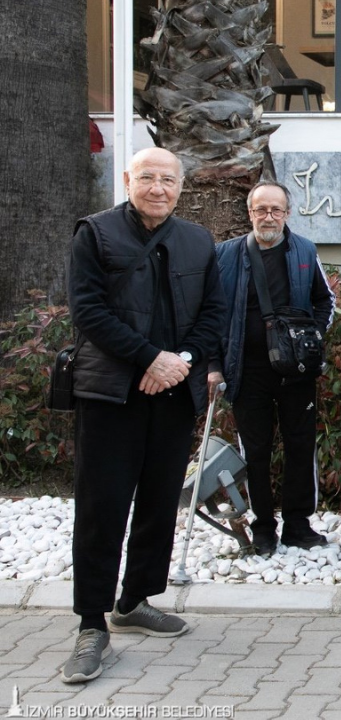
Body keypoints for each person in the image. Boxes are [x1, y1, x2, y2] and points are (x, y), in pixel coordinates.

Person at [63, 147, 227, 683]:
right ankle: (92, 623)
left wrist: (177, 362)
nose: (159, 188)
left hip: (173, 392)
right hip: (111, 393)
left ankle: (134, 600)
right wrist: (147, 356)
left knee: (160, 502)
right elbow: (87, 310)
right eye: (148, 178)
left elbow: (213, 314)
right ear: (129, 180)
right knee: (102, 507)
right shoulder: (96, 232)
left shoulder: (199, 241)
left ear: (182, 186)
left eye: (169, 179)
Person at [210, 181, 335, 556]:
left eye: (275, 210)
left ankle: (298, 524)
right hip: (246, 371)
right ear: (249, 213)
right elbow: (212, 316)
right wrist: (215, 365)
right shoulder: (225, 255)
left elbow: (324, 300)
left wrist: (309, 338)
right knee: (256, 450)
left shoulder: (304, 250)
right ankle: (263, 526)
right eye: (260, 209)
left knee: (300, 446)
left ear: (287, 213)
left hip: (297, 370)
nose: (268, 217)